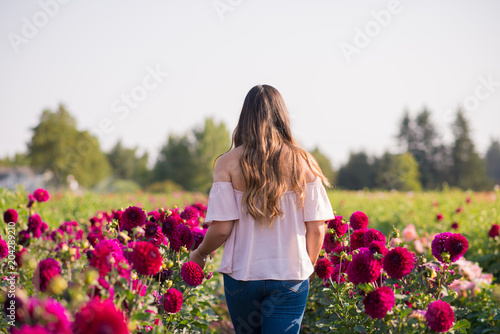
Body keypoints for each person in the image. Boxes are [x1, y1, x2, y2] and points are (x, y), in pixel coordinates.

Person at [189, 84, 334, 334]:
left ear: (245, 117)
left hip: (242, 277)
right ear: (282, 117)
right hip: (290, 277)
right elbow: (317, 229)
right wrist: (306, 265)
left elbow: (222, 229)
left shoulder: (227, 163)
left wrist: (200, 254)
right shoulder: (304, 162)